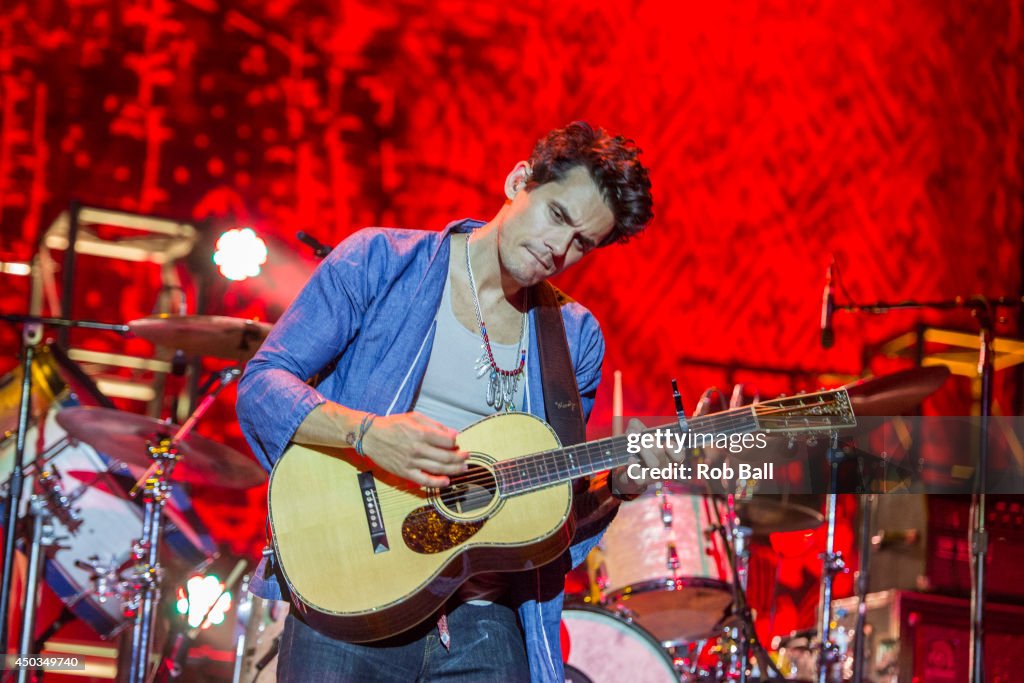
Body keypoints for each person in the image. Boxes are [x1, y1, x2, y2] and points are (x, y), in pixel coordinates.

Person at [236, 121, 662, 682]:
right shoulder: (381, 262)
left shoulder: (576, 338)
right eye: (558, 216)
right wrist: (367, 434)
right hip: (354, 593)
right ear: (518, 181)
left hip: (482, 623)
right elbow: (263, 385)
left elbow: (550, 513)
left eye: (582, 242)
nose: (560, 249)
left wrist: (621, 486)